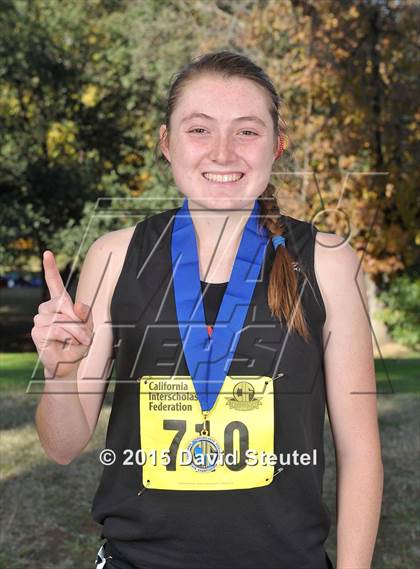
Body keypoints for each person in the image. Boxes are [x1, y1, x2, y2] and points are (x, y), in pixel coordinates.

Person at [33, 50, 383, 569]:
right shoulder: (114, 254)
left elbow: (359, 453)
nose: (223, 153)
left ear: (277, 145)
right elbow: (63, 446)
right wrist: (61, 375)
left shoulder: (328, 261)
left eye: (247, 131)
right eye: (199, 130)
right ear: (166, 143)